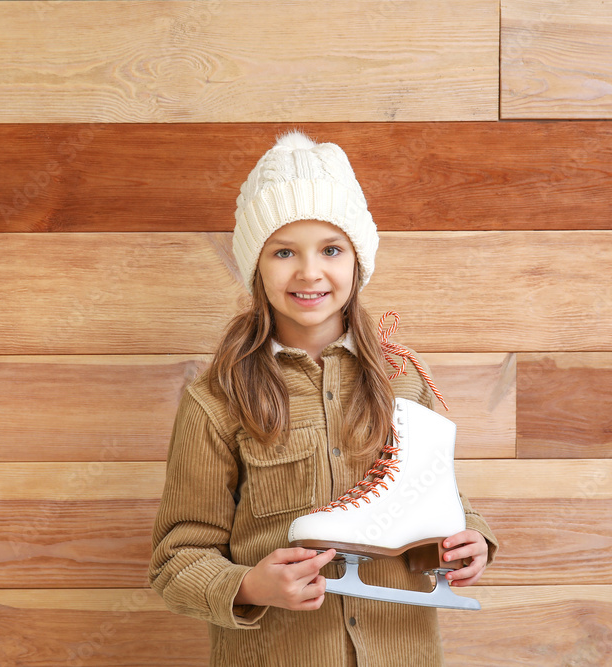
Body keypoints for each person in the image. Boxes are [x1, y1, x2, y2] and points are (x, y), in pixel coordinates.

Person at [149, 130, 498, 666]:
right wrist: (250, 586)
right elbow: (177, 561)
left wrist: (470, 539)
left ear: (356, 262)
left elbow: (440, 502)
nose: (309, 272)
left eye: (331, 250)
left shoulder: (404, 381)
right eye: (284, 251)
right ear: (256, 268)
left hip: (399, 651)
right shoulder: (216, 401)